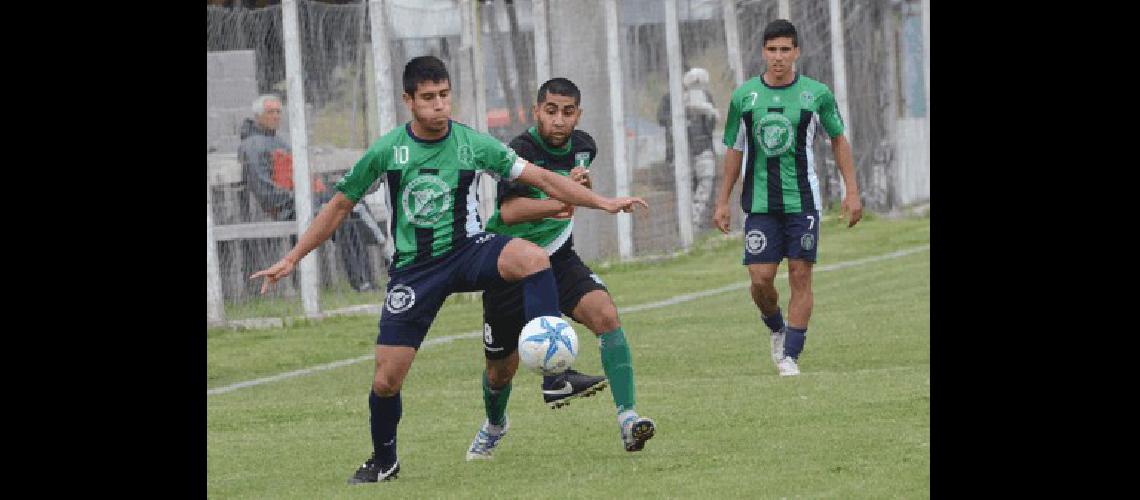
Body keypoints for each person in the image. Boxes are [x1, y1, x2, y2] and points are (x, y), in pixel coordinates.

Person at [249, 56, 648, 485]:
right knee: (387, 379)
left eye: (444, 96)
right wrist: (293, 257)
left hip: (468, 250)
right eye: (428, 98)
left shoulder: (471, 143)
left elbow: (545, 180)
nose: (439, 106)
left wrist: (603, 202)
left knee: (534, 259)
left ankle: (555, 376)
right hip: (415, 271)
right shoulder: (388, 151)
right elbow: (340, 204)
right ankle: (385, 461)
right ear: (408, 100)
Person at [470, 77, 656, 459]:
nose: (558, 120)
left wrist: (582, 184)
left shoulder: (584, 146)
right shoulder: (518, 151)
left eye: (567, 112)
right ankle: (494, 425)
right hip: (510, 263)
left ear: (578, 115)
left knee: (605, 315)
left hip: (557, 256)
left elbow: (576, 183)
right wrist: (559, 201)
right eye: (550, 111)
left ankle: (628, 419)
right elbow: (510, 211)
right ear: (536, 111)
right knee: (500, 372)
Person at [712, 19, 863, 377]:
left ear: (796, 52)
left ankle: (790, 356)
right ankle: (776, 327)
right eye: (772, 50)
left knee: (800, 274)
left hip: (802, 202)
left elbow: (838, 139)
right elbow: (734, 150)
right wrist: (723, 201)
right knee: (760, 279)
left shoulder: (816, 94)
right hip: (760, 204)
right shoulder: (744, 98)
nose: (778, 57)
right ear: (763, 52)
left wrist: (851, 191)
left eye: (785, 50)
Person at [239, 94, 379, 292]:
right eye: (271, 112)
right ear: (258, 116)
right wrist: (301, 199)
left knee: (348, 206)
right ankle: (366, 274)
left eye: (279, 112)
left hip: (307, 201)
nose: (276, 116)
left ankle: (369, 273)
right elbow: (264, 190)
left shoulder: (278, 140)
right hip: (286, 208)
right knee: (339, 215)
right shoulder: (252, 145)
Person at [656, 68, 720, 230]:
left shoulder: (705, 97)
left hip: (703, 148)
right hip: (680, 153)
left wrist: (708, 112)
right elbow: (662, 119)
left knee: (706, 180)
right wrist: (680, 114)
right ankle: (688, 225)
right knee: (684, 186)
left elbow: (711, 125)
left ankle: (696, 220)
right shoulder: (669, 98)